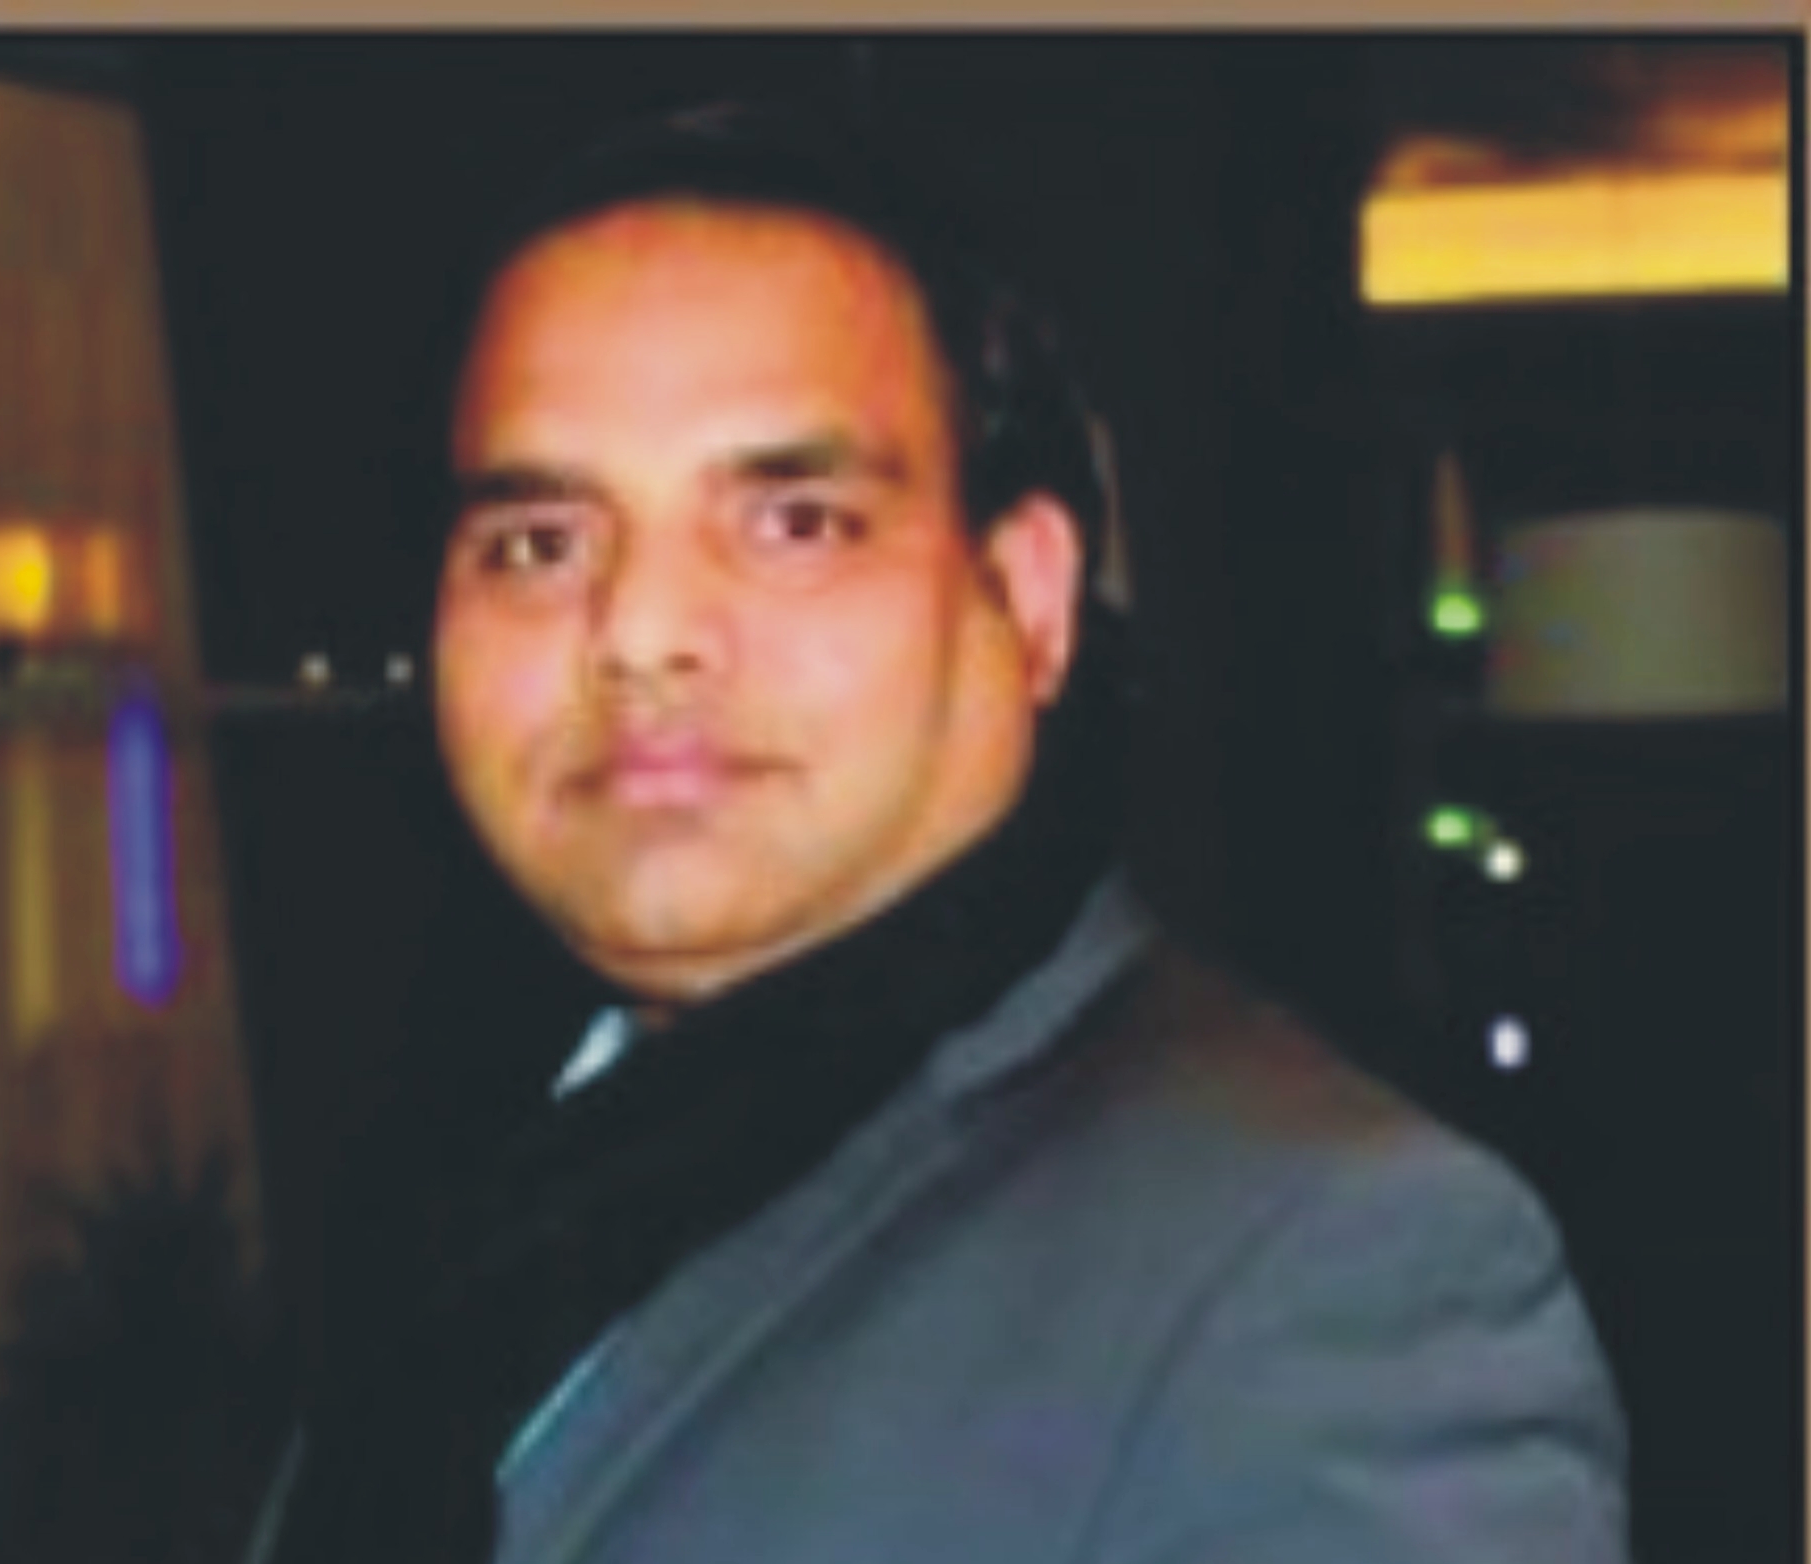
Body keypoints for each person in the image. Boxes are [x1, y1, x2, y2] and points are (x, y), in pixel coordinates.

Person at [255, 103, 1630, 1564]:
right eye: (539, 545)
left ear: (1027, 601)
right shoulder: (482, 1185)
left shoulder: (1324, 1267)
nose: (639, 634)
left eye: (795, 523)